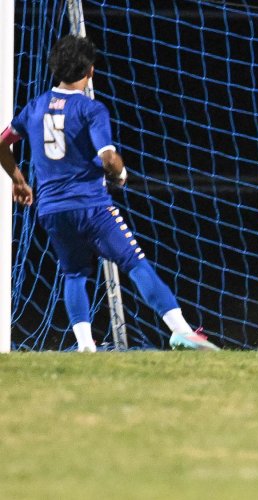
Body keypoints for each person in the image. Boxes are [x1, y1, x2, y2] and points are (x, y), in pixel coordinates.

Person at [0, 35, 219, 351]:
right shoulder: (90, 109)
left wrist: (18, 181)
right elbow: (108, 158)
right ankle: (181, 330)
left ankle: (86, 345)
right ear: (90, 71)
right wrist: (120, 174)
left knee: (73, 273)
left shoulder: (34, 108)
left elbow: (3, 143)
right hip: (91, 207)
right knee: (134, 261)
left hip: (51, 210)